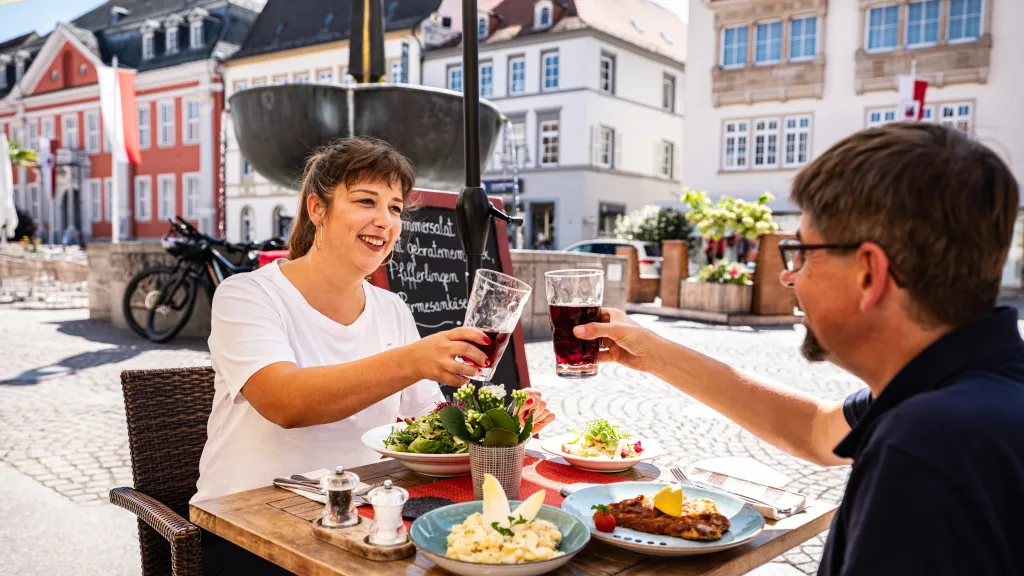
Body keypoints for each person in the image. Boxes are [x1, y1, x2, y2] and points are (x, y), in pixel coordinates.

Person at [574, 123, 1023, 575]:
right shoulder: (968, 387)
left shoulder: (927, 442)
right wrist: (653, 353)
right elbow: (814, 430)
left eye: (803, 254)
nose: (789, 276)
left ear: (868, 274)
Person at [193, 137, 554, 574]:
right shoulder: (247, 295)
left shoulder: (391, 308)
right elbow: (284, 401)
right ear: (317, 209)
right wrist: (412, 360)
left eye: (396, 208)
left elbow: (427, 427)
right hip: (249, 530)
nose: (384, 220)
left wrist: (503, 420)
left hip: (362, 523)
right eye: (367, 201)